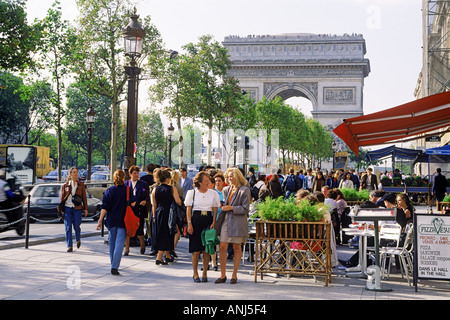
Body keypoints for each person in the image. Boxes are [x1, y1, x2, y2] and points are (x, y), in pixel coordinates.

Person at [216, 167, 250, 284]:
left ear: (237, 176)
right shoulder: (226, 189)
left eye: (231, 176)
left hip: (238, 222)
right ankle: (222, 275)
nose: (229, 178)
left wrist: (231, 207)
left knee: (237, 247)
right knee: (222, 247)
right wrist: (222, 205)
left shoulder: (244, 190)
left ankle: (234, 275)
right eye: (228, 176)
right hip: (226, 220)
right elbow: (225, 202)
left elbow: (245, 208)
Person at [185, 172, 219, 282]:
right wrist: (189, 223)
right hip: (196, 219)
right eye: (205, 181)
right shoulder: (192, 193)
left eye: (208, 180)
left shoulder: (213, 194)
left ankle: (205, 272)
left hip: (208, 220)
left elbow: (214, 208)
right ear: (199, 182)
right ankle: (195, 273)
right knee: (195, 249)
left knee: (206, 249)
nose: (208, 182)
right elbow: (189, 209)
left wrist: (214, 221)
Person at [96, 169, 128, 275]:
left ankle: (112, 263)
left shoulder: (109, 191)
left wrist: (100, 220)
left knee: (112, 243)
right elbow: (132, 204)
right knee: (120, 244)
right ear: (123, 178)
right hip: (123, 219)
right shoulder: (127, 190)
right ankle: (115, 266)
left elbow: (104, 207)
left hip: (111, 219)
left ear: (114, 178)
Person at [151, 169, 182, 265]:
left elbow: (153, 205)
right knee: (167, 233)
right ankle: (159, 257)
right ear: (168, 179)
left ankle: (168, 256)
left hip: (158, 212)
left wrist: (154, 216)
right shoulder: (172, 189)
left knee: (161, 233)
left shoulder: (155, 189)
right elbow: (178, 201)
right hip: (169, 213)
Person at [60, 167, 88, 252]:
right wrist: (61, 209)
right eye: (74, 172)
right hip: (67, 208)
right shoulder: (65, 185)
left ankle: (78, 239)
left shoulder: (81, 185)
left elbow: (84, 197)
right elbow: (62, 198)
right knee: (68, 227)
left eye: (77, 172)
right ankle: (69, 246)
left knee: (76, 226)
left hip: (77, 208)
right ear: (70, 174)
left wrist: (86, 208)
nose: (76, 174)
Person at [124, 166, 149, 256]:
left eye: (137, 173)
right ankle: (126, 249)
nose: (136, 175)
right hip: (130, 210)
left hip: (139, 209)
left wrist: (145, 201)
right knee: (127, 229)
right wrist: (129, 203)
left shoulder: (143, 184)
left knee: (140, 228)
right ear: (130, 174)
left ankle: (142, 246)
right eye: (134, 173)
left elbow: (147, 196)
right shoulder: (126, 184)